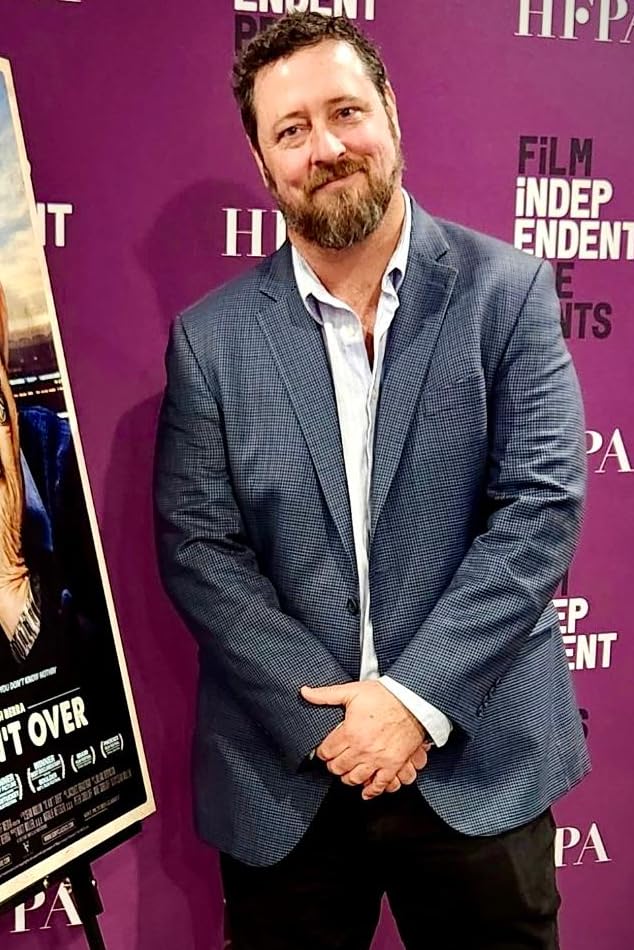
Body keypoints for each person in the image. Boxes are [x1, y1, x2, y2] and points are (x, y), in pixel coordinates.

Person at [154, 12, 589, 950]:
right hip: (287, 774)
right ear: (262, 161)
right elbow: (199, 550)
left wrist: (412, 701)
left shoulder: (507, 292)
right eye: (292, 129)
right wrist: (336, 725)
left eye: (345, 111)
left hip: (478, 756)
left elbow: (541, 507)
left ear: (390, 110)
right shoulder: (209, 339)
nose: (326, 148)